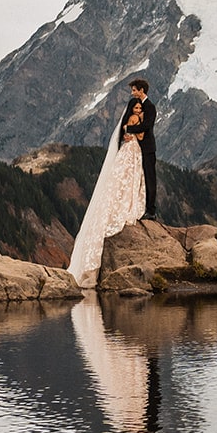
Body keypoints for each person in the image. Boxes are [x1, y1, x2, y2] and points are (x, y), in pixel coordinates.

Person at [66, 82, 149, 287]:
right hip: (131, 152)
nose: (138, 110)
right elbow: (136, 135)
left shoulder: (132, 121)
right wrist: (137, 126)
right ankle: (126, 206)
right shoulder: (133, 120)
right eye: (136, 108)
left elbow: (134, 134)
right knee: (126, 178)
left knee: (128, 179)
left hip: (132, 151)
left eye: (140, 108)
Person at [119, 78, 157, 219]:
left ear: (142, 91)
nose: (132, 93)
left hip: (147, 148)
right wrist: (125, 134)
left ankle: (151, 211)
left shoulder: (150, 107)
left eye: (134, 90)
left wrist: (129, 128)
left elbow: (146, 126)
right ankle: (137, 207)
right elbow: (126, 120)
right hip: (134, 148)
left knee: (149, 178)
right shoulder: (134, 104)